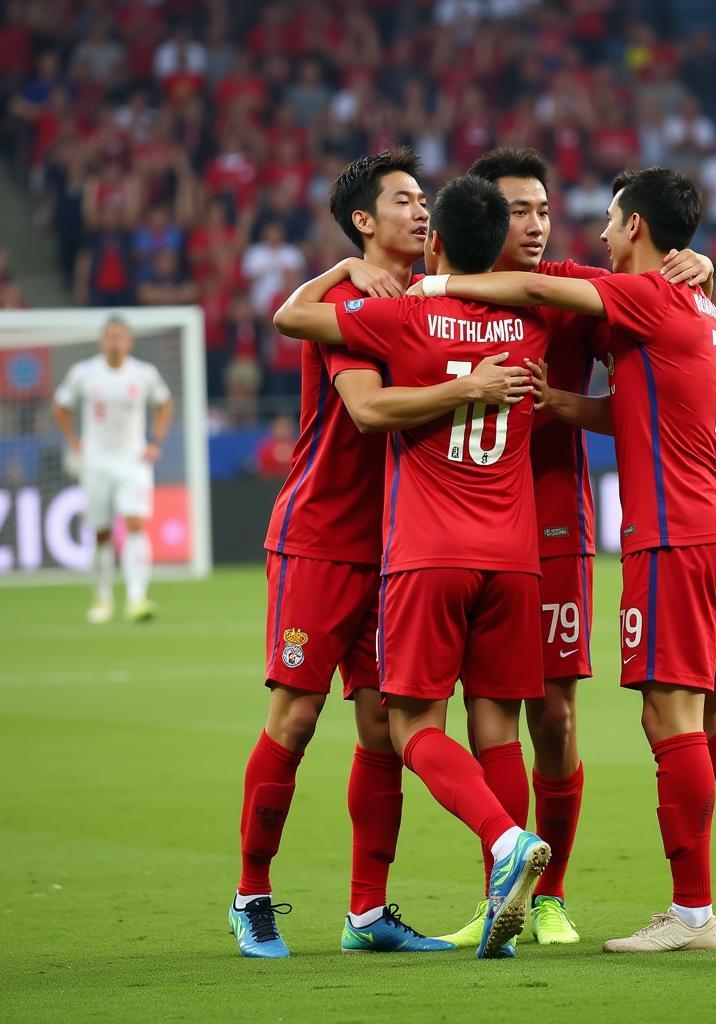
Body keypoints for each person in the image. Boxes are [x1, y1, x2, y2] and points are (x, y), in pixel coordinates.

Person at [417, 166, 716, 952]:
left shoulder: (643, 294)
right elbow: (646, 397)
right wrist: (564, 405)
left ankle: (690, 914)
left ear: (636, 227)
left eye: (605, 217)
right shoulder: (699, 306)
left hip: (676, 537)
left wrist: (430, 289)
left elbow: (542, 287)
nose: (594, 231)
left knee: (668, 716)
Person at [229, 149, 530, 959]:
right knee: (294, 717)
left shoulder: (430, 302)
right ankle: (251, 895)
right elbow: (364, 411)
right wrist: (343, 272)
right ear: (365, 222)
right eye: (404, 200)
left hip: (401, 548)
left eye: (425, 198)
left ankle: (367, 912)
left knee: (380, 728)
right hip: (322, 537)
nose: (421, 209)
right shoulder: (351, 301)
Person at [52, 316, 172, 623]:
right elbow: (60, 404)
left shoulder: (144, 374)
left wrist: (155, 441)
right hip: (96, 462)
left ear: (129, 341)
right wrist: (73, 440)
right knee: (102, 533)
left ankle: (137, 598)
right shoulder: (84, 373)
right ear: (101, 341)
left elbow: (165, 403)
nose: (114, 340)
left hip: (132, 462)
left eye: (119, 335)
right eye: (109, 335)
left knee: (135, 525)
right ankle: (102, 599)